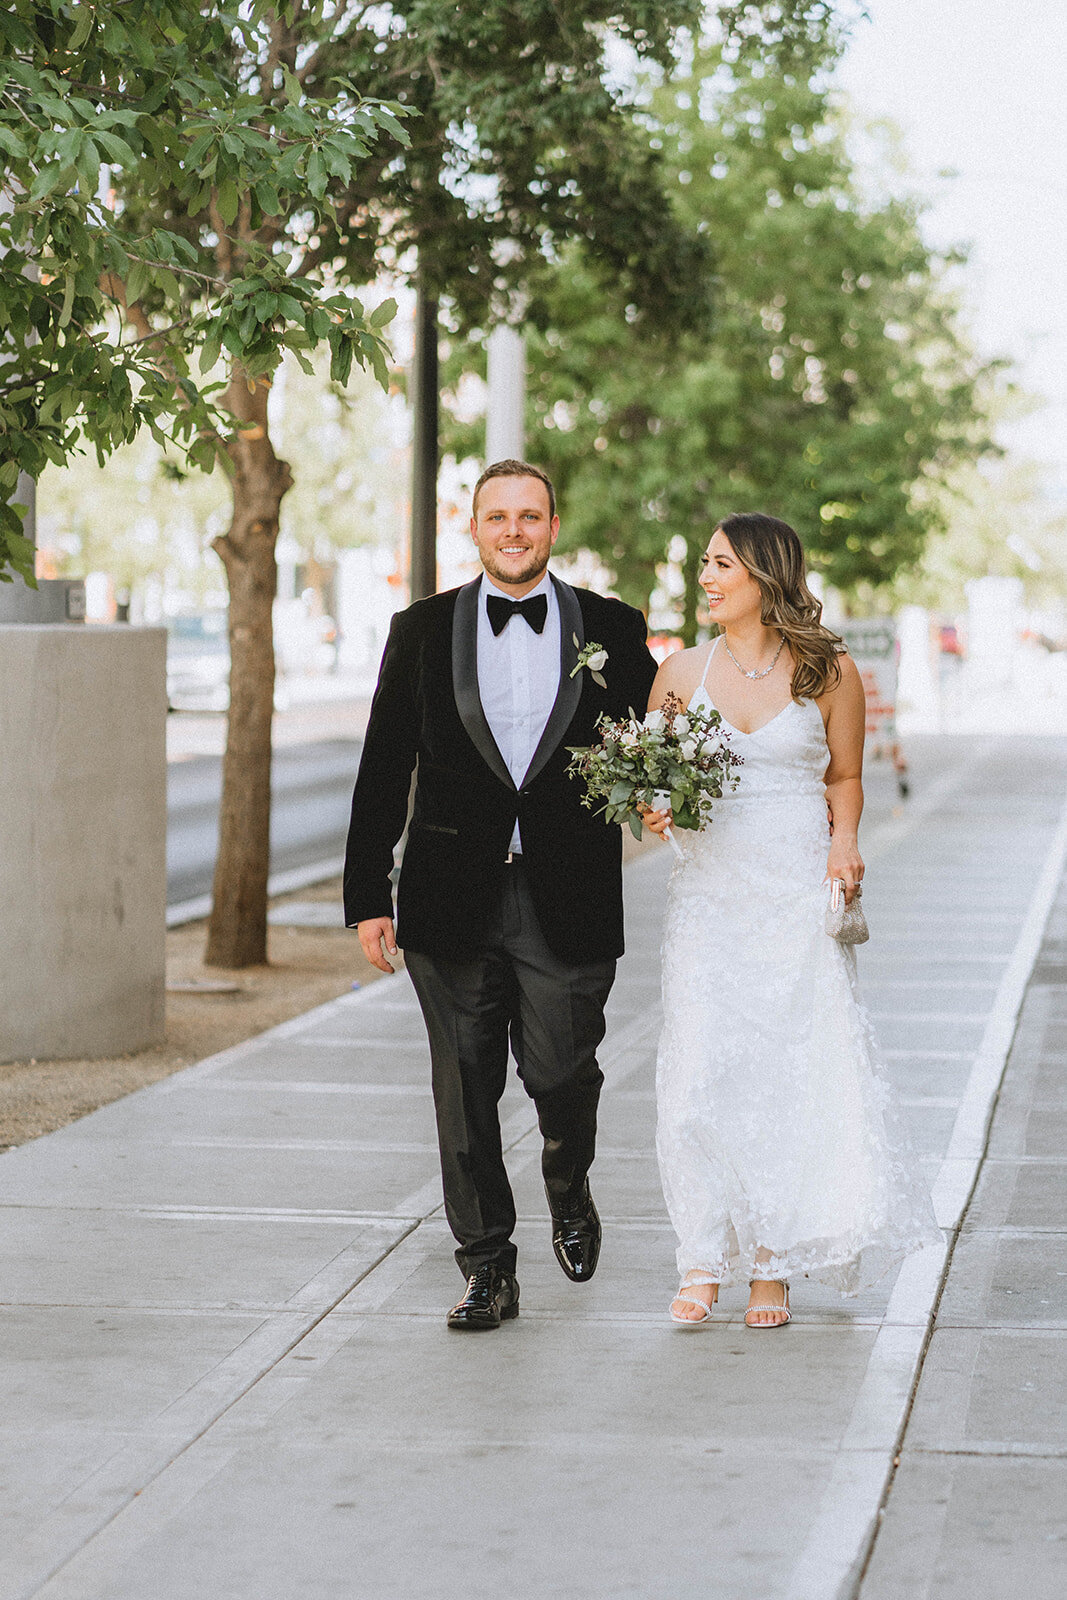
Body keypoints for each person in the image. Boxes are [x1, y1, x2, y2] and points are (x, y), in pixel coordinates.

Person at [344, 460, 658, 1331]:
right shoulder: (421, 629)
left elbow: (653, 736)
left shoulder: (611, 625)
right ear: (473, 529)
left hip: (571, 891)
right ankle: (487, 1267)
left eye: (529, 516)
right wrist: (369, 892)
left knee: (563, 1072)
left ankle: (568, 1178)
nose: (513, 530)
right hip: (448, 896)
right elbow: (383, 765)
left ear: (553, 527)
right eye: (496, 517)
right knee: (464, 1090)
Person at [643, 512, 940, 1328]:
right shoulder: (676, 673)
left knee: (788, 1074)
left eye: (720, 565)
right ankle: (701, 1257)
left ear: (765, 575)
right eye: (703, 563)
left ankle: (770, 1262)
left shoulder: (827, 670)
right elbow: (651, 785)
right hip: (709, 896)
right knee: (698, 1074)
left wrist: (844, 843)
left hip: (794, 895)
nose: (705, 577)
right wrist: (652, 808)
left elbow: (845, 778)